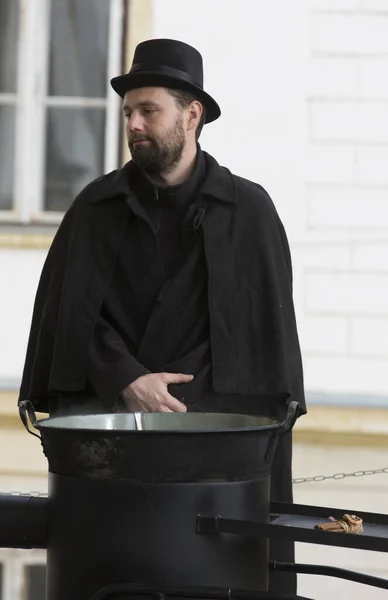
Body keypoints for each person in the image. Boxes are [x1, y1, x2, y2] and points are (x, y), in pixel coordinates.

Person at [19, 39, 305, 595]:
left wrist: (172, 398)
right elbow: (69, 317)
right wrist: (127, 379)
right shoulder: (93, 209)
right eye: (129, 112)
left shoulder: (249, 212)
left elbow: (255, 338)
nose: (134, 124)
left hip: (215, 467)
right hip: (113, 463)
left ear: (191, 114)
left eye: (149, 110)